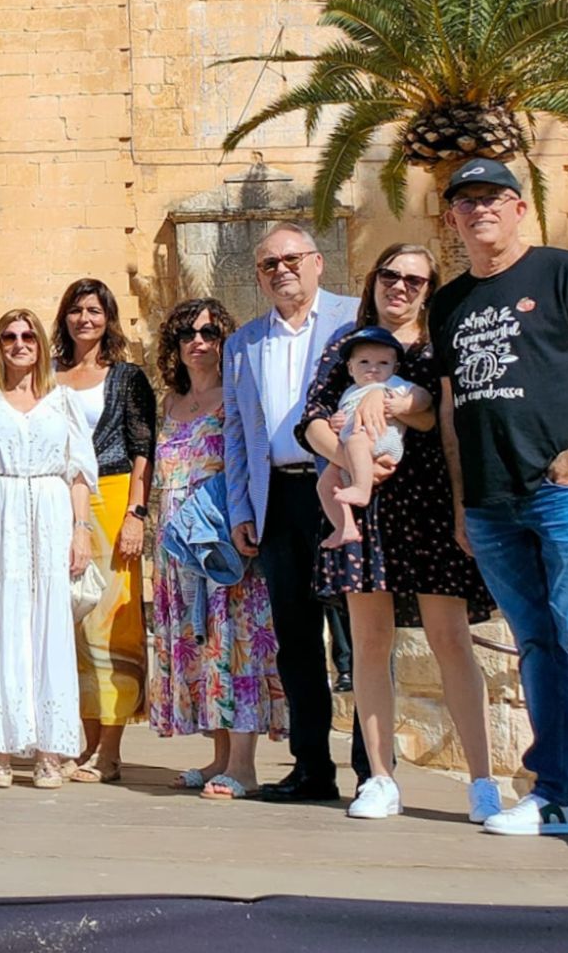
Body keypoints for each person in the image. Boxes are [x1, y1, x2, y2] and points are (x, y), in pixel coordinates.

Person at [431, 158, 568, 849]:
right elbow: (448, 409)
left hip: (564, 493)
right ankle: (552, 792)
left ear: (519, 207)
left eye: (492, 197)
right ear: (451, 218)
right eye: (465, 201)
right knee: (535, 646)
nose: (478, 210)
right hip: (492, 506)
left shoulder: (564, 272)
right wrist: (463, 503)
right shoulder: (450, 301)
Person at [297, 243, 501, 823]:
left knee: (451, 641)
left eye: (416, 279)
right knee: (369, 643)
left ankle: (483, 781)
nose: (401, 287)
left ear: (429, 288)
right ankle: (380, 777)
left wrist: (396, 403)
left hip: (431, 507)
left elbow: (445, 412)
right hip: (369, 513)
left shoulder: (441, 345)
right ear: (375, 279)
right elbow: (309, 417)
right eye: (391, 274)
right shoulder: (346, 345)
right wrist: (354, 457)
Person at [222, 222, 358, 801]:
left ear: (317, 262)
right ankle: (312, 769)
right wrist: (240, 509)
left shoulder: (353, 321)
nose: (282, 270)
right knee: (295, 639)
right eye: (269, 264)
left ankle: (376, 769)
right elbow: (235, 430)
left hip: (341, 491)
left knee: (357, 634)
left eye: (292, 258)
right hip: (275, 498)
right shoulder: (244, 342)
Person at [0, 309, 95, 789]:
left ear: (40, 343)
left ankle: (50, 750)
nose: (19, 343)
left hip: (51, 511)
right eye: (9, 336)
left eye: (28, 335)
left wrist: (81, 529)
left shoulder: (63, 401)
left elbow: (77, 472)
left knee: (48, 624)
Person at [148, 298, 285, 800]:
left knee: (236, 645)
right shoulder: (170, 403)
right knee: (203, 650)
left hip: (222, 543)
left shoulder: (238, 397)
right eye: (187, 334)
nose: (198, 342)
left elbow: (253, 464)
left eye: (208, 333)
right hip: (178, 551)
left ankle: (245, 767)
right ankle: (221, 758)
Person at [51, 277, 155, 784]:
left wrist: (136, 514)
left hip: (113, 499)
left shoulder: (127, 376)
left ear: (108, 318)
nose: (84, 319)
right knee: (69, 625)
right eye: (76, 310)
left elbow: (143, 449)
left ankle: (110, 748)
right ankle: (83, 740)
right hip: (59, 504)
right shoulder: (48, 375)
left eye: (93, 310)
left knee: (111, 623)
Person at [317, 328, 417, 548]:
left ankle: (362, 489)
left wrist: (403, 404)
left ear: (395, 367)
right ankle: (345, 527)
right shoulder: (349, 392)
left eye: (383, 363)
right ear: (350, 368)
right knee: (325, 483)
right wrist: (336, 423)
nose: (373, 369)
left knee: (356, 440)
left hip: (383, 440)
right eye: (364, 362)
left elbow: (423, 397)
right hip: (354, 451)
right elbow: (342, 421)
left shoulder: (393, 384)